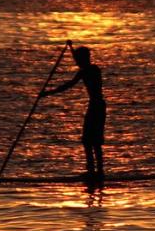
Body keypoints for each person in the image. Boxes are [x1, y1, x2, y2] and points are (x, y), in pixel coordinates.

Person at [40, 46, 106, 183]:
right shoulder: (86, 70)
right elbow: (76, 74)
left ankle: (98, 172)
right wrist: (48, 93)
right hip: (95, 105)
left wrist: (48, 93)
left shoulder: (92, 70)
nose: (76, 62)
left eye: (77, 60)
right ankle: (93, 171)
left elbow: (69, 84)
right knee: (88, 140)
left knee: (93, 140)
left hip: (97, 106)